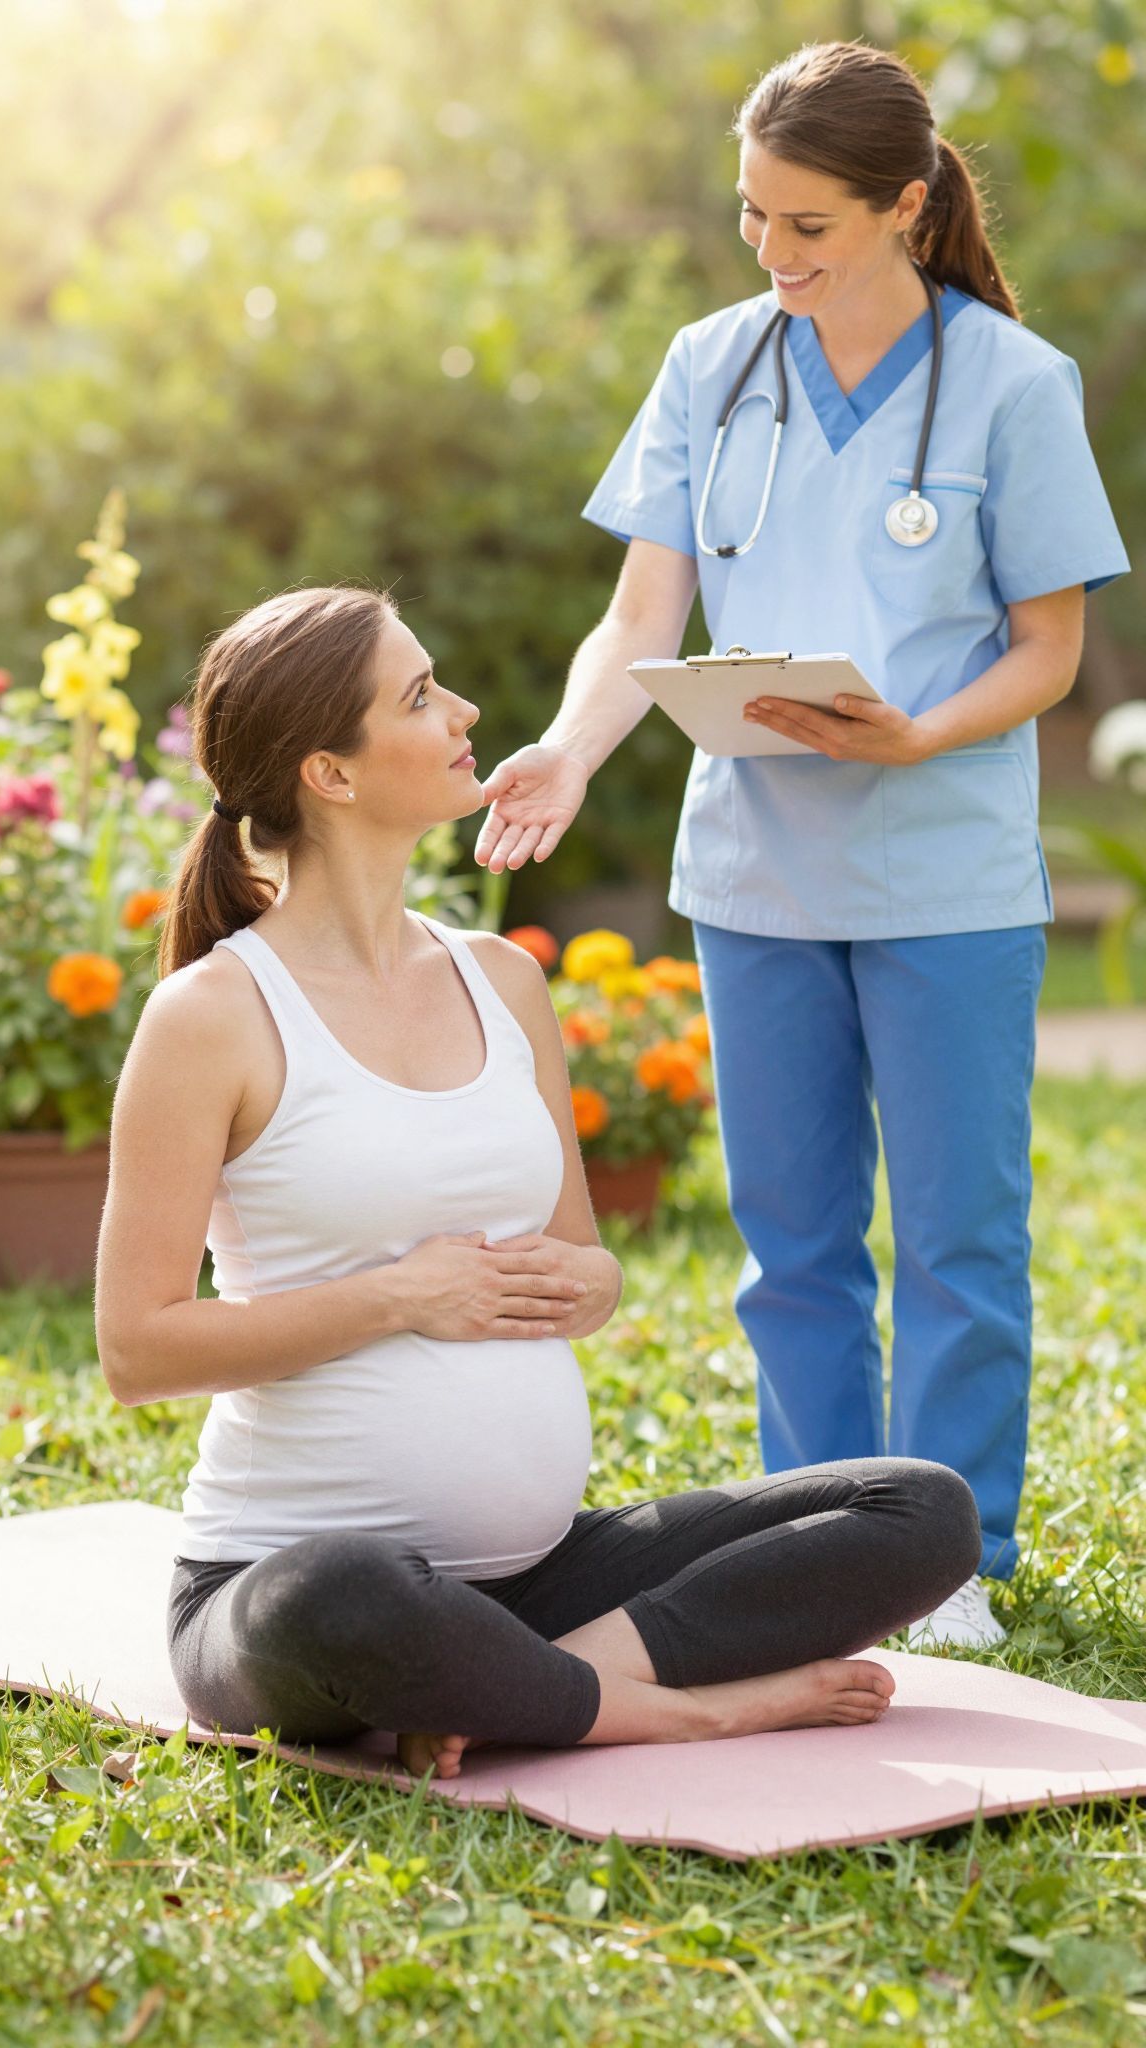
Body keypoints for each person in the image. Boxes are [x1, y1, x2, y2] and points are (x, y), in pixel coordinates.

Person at [473, 41, 1130, 1650]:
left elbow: (1048, 650)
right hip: (757, 869)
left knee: (960, 1238)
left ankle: (948, 1559)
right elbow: (644, 614)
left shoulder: (1012, 384)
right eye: (751, 217)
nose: (773, 253)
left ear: (905, 205)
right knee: (792, 1244)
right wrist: (568, 747)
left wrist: (920, 732)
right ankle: (818, 1542)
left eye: (808, 224)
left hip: (946, 872)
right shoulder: (713, 365)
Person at [94, 585, 980, 1777]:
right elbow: (136, 1347)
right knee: (344, 1592)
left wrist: (588, 1281)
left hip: (540, 1573)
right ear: (331, 773)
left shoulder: (501, 979)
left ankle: (526, 1679)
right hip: (287, 1583)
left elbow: (587, 1262)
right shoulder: (212, 1014)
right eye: (420, 696)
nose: (464, 710)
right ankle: (681, 1708)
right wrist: (402, 1295)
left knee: (920, 1508)